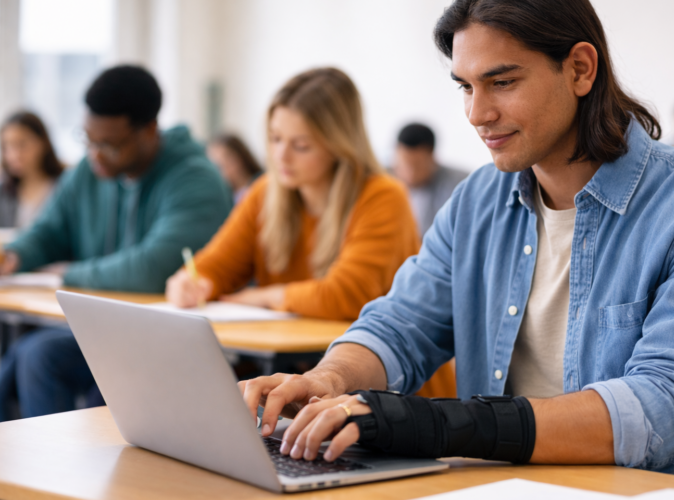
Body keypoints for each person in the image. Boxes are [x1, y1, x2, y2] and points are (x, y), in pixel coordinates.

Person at [236, 0, 674, 488]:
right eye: (466, 87)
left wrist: (440, 426)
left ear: (580, 70)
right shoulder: (478, 200)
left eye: (502, 82)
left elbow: (666, 411)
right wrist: (327, 380)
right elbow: (400, 325)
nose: (476, 114)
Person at [166, 67, 454, 398]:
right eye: (275, 139)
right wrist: (192, 282)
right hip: (307, 384)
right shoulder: (266, 193)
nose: (280, 156)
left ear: (338, 145)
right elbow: (213, 266)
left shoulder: (383, 196)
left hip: (396, 394)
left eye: (300, 145)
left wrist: (266, 296)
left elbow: (344, 296)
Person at [0, 65, 232, 420]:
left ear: (149, 131)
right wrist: (14, 255)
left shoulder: (195, 179)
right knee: (34, 355)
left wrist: (68, 274)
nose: (95, 153)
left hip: (169, 339)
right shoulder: (91, 169)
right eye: (88, 139)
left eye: (108, 144)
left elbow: (151, 269)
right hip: (110, 332)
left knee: (85, 379)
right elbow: (49, 230)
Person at [392, 123, 468, 235]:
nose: (411, 175)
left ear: (433, 157)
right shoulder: (383, 182)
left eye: (418, 166)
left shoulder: (460, 185)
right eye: (405, 165)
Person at [0, 111, 63, 229]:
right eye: (7, 146)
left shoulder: (63, 187)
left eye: (22, 144)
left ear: (42, 143)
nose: (14, 154)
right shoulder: (4, 191)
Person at [206, 133, 263, 204]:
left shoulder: (262, 186)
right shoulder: (224, 199)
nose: (217, 172)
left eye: (221, 165)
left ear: (238, 159)